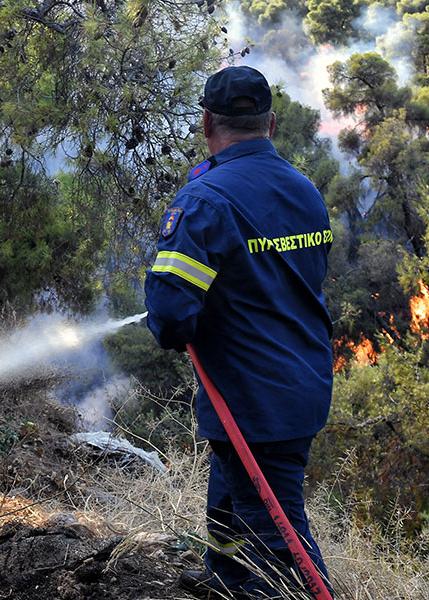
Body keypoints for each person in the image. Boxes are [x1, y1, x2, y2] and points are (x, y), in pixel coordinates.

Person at [143, 66, 334, 599]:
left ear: (207, 123)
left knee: (275, 536)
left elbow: (170, 310)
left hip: (254, 400)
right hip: (303, 382)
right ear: (271, 123)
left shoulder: (206, 201)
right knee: (228, 495)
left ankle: (273, 592)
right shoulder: (304, 191)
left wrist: (180, 328)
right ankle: (223, 579)